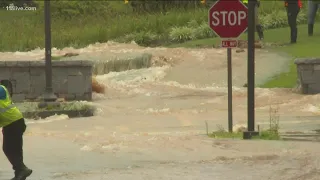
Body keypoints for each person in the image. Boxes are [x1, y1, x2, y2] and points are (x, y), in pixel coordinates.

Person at [0, 84, 32, 180]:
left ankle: (22, 170)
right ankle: (19, 174)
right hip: (13, 121)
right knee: (15, 149)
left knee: (8, 148)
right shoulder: (2, 87)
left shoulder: (0, 89)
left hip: (13, 122)